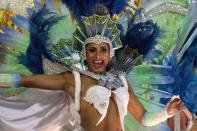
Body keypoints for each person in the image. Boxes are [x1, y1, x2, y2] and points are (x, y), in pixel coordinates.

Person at [0, 3, 184, 131]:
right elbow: (24, 80)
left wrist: (166, 113)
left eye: (103, 49)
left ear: (110, 53)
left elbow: (143, 119)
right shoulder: (74, 80)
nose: (97, 55)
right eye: (92, 50)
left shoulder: (121, 81)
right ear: (85, 54)